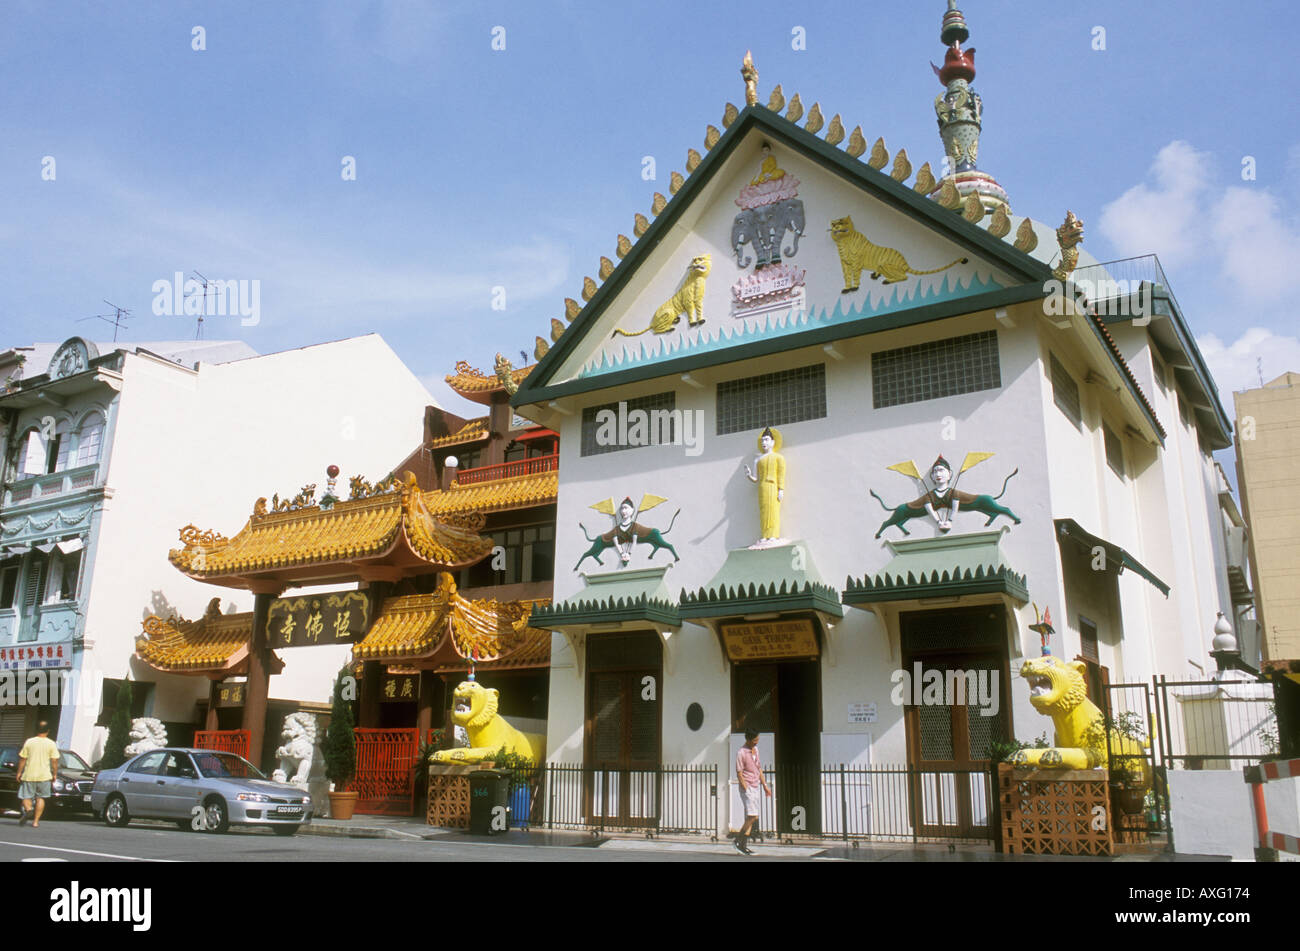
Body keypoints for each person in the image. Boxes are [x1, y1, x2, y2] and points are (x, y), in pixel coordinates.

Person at [743, 427, 786, 544]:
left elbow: (781, 474)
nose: (764, 443)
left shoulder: (778, 458)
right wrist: (749, 475)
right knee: (763, 510)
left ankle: (773, 535)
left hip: (773, 486)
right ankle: (765, 535)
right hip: (762, 487)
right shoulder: (758, 460)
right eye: (762, 441)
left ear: (773, 442)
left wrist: (781, 489)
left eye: (766, 440)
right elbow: (755, 479)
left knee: (773, 510)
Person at [734, 729, 771, 855]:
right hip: (747, 787)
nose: (756, 742)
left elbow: (758, 768)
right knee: (752, 816)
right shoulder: (741, 753)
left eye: (757, 740)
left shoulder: (756, 750)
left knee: (750, 817)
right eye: (755, 740)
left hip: (755, 786)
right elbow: (739, 773)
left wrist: (765, 785)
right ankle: (738, 840)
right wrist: (746, 788)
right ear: (749, 740)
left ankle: (743, 845)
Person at [16, 721, 59, 828]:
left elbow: (23, 759)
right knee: (41, 798)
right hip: (44, 775)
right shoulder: (51, 743)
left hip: (29, 774)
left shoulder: (29, 742)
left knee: (26, 796)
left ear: (36, 730)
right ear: (48, 731)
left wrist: (19, 772)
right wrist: (54, 774)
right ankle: (35, 822)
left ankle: (29, 809)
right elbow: (54, 761)